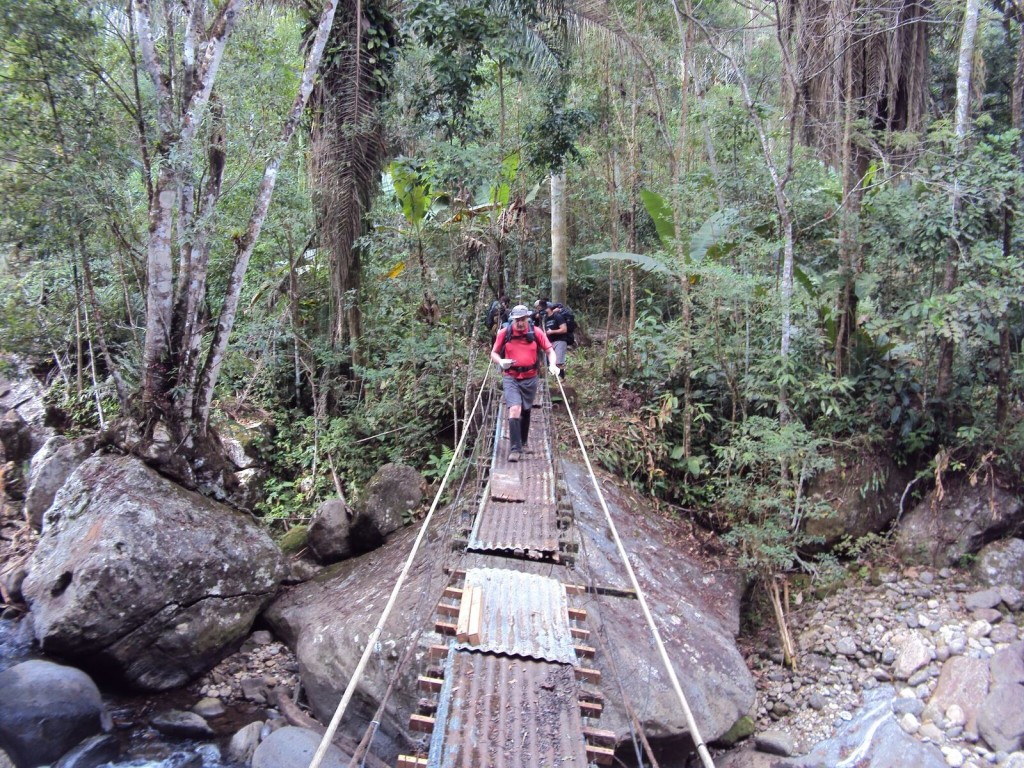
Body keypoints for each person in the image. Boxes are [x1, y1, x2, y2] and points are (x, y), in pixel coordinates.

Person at [490, 305, 559, 462]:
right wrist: (501, 361)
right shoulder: (504, 333)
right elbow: (493, 353)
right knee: (515, 409)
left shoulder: (535, 332)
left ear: (527, 318)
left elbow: (549, 350)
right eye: (517, 320)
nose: (520, 323)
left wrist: (553, 365)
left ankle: (524, 441)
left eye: (523, 319)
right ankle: (516, 449)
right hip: (511, 377)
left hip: (530, 377)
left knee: (526, 410)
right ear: (512, 320)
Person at [541, 301, 570, 378]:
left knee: (559, 362)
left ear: (550, 308)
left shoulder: (557, 316)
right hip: (550, 342)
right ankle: (553, 379)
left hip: (560, 341)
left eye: (545, 308)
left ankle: (561, 379)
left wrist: (552, 332)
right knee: (550, 362)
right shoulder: (545, 319)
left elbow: (564, 329)